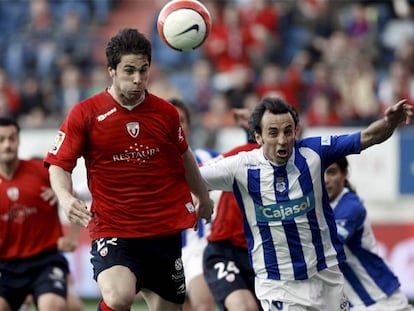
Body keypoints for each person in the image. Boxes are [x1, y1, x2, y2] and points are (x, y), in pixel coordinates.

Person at [44, 28, 214, 311]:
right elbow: (58, 165)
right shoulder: (85, 114)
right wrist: (65, 197)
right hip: (114, 227)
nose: (138, 79)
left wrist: (203, 196)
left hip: (163, 230)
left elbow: (185, 157)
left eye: (144, 70)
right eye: (129, 71)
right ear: (111, 70)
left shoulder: (166, 113)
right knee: (119, 296)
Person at [198, 96, 412, 310]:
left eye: (288, 131)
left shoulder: (315, 153)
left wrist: (390, 122)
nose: (282, 139)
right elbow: (190, 176)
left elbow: (368, 136)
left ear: (296, 132)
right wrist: (201, 197)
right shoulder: (240, 165)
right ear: (258, 137)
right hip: (279, 284)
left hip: (326, 278)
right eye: (273, 133)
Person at [0, 117, 73, 311]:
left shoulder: (43, 172)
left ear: (19, 140)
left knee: (54, 306)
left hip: (45, 261)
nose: (7, 145)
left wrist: (60, 192)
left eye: (11, 138)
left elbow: (74, 196)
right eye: (1, 140)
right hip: (5, 266)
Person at [324, 157, 414, 311]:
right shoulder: (316, 207)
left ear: (344, 174)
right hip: (352, 303)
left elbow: (327, 248)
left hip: (381, 301)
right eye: (320, 173)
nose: (325, 180)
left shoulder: (350, 206)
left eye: (331, 172)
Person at [169, 98, 218, 311]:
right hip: (165, 251)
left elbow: (240, 165)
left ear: (188, 126)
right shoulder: (146, 164)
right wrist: (71, 194)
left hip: (199, 248)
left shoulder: (207, 158)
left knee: (203, 306)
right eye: (171, 120)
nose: (176, 126)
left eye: (180, 120)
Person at [203, 143, 262, 311]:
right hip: (225, 251)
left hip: (267, 258)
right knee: (244, 308)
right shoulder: (242, 155)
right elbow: (198, 174)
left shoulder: (300, 165)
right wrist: (199, 194)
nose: (282, 140)